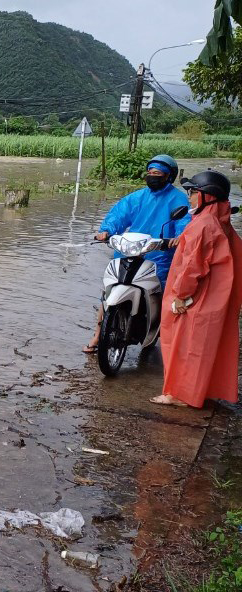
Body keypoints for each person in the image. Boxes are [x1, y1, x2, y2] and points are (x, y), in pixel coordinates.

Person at [84, 155, 190, 353]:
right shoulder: (138, 197)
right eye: (149, 173)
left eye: (157, 174)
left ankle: (163, 333)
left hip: (160, 255)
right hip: (131, 251)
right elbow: (119, 214)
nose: (152, 177)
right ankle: (98, 335)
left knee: (164, 296)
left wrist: (179, 236)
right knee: (108, 290)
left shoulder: (178, 199)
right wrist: (107, 230)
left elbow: (184, 222)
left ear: (168, 176)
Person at [153, 170, 242, 407]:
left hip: (197, 298)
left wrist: (181, 295)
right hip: (215, 299)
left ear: (208, 196)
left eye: (193, 192)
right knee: (205, 347)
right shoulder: (222, 222)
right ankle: (202, 390)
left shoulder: (203, 225)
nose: (190, 197)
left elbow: (192, 266)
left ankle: (179, 394)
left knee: (185, 346)